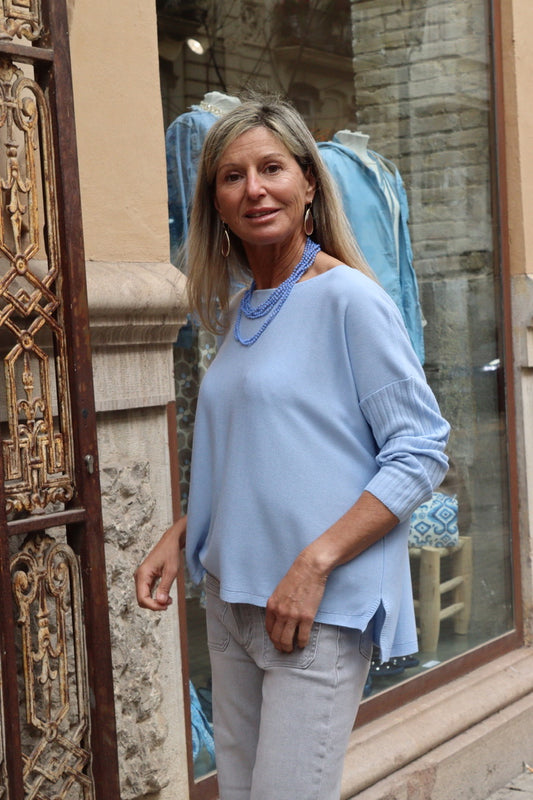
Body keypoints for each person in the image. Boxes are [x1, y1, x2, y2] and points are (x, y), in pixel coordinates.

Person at [135, 95, 450, 800]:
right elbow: (266, 454)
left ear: (308, 181)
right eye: (232, 176)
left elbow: (421, 449)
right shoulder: (240, 310)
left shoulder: (349, 299)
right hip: (232, 599)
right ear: (215, 203)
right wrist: (185, 533)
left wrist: (315, 563)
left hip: (316, 608)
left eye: (271, 168)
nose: (254, 189)